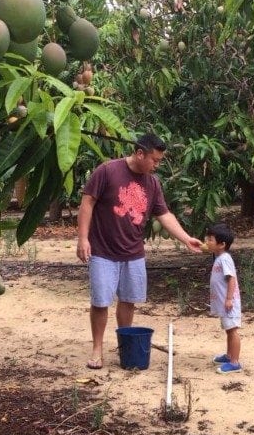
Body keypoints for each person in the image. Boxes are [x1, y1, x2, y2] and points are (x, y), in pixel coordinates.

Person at [76, 133, 203, 369]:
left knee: (129, 301)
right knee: (101, 301)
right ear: (140, 153)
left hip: (133, 252)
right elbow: (87, 202)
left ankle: (125, 345)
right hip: (103, 250)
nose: (157, 165)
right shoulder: (107, 171)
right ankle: (97, 348)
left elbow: (164, 215)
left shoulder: (152, 183)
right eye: (154, 160)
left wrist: (186, 239)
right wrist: (83, 238)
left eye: (159, 161)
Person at [205, 222, 242, 374]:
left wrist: (229, 299)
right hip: (223, 303)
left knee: (232, 331)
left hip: (229, 303)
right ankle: (229, 356)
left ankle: (235, 363)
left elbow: (231, 279)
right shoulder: (219, 256)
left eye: (210, 240)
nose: (207, 242)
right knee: (228, 329)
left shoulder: (225, 258)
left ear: (222, 244)